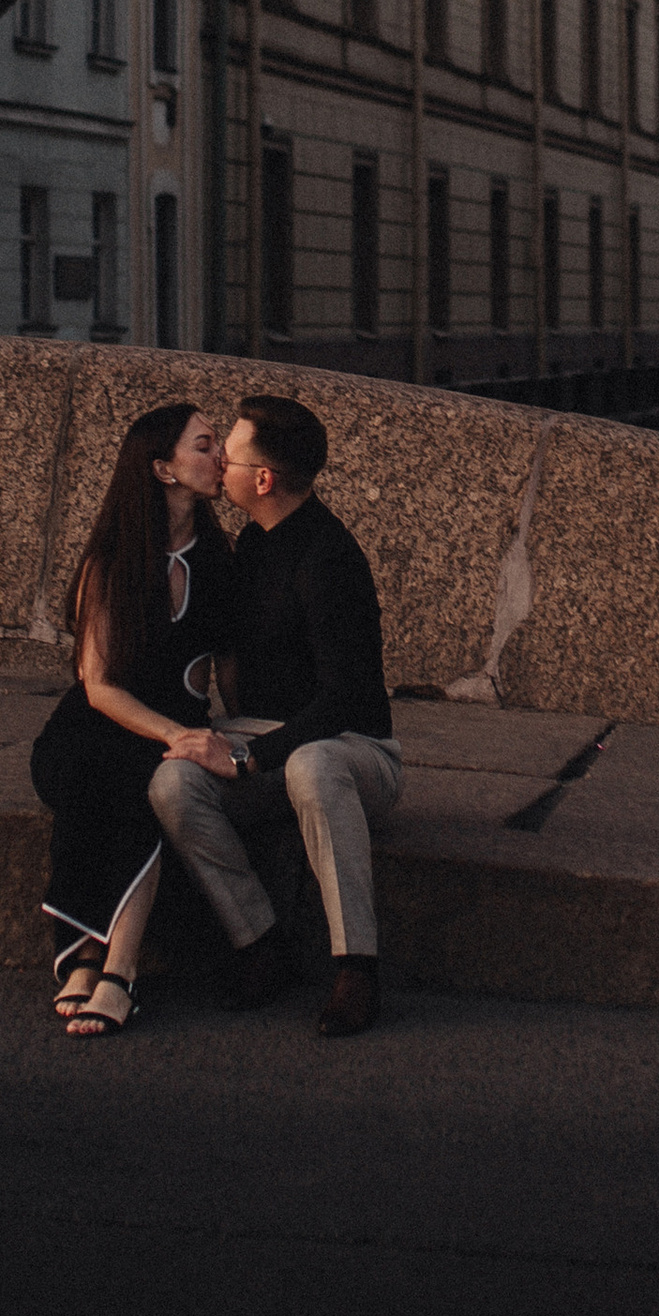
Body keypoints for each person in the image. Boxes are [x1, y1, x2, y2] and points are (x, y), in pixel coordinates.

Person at [148, 391, 401, 1038]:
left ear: (263, 479)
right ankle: (260, 942)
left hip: (352, 748)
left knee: (313, 767)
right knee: (172, 781)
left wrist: (250, 756)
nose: (218, 465)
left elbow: (347, 697)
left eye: (227, 456)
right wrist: (214, 741)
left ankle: (356, 968)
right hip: (268, 743)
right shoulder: (252, 546)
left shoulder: (329, 559)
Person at [30, 399, 236, 1037]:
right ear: (164, 470)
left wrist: (241, 740)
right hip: (92, 728)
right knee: (114, 770)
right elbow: (97, 687)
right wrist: (176, 732)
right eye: (203, 445)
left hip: (167, 733)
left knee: (149, 777)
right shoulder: (114, 559)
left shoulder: (220, 559)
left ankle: (103, 964)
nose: (220, 455)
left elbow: (230, 675)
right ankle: (107, 965)